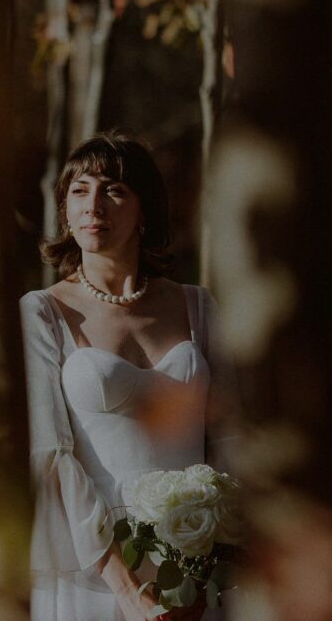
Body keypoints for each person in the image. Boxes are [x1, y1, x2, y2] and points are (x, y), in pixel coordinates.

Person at [21, 132, 226, 621]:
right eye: (79, 190)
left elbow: (231, 435)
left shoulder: (198, 305)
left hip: (199, 568)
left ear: (144, 211)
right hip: (94, 572)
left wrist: (208, 567)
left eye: (113, 190)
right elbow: (52, 457)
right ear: (65, 211)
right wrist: (126, 589)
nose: (94, 205)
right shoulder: (43, 312)